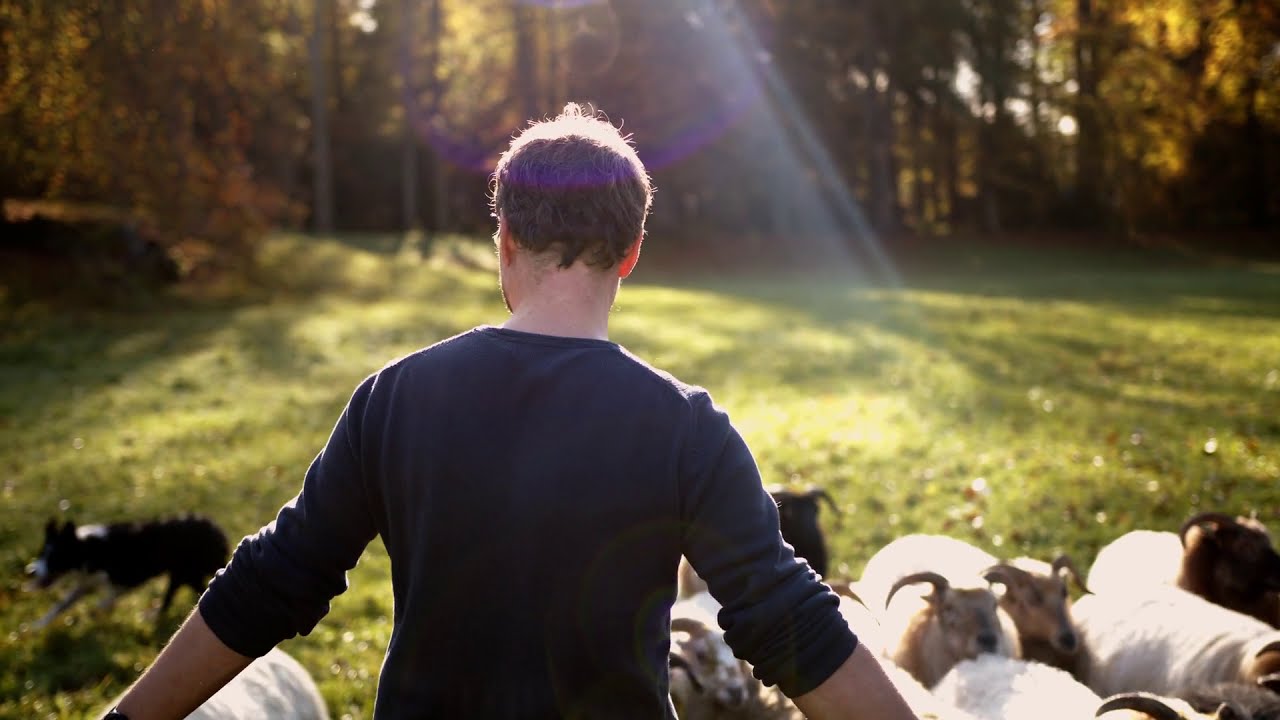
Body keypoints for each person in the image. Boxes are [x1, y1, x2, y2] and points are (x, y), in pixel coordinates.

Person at [105, 104, 919, 720]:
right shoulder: (687, 429)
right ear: (632, 254)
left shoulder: (396, 398)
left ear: (504, 241)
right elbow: (790, 621)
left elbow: (269, 582)